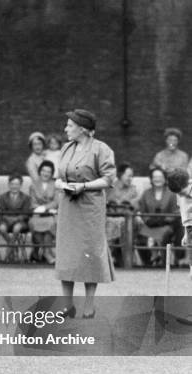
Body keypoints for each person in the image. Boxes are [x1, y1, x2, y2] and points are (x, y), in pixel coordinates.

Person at [55, 109, 116, 319]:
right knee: (67, 254)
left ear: (82, 129)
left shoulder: (101, 149)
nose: (66, 129)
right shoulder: (66, 148)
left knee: (89, 254)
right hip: (68, 207)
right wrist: (61, 184)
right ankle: (66, 305)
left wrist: (84, 186)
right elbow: (58, 175)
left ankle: (89, 306)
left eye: (70, 125)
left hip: (90, 208)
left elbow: (108, 180)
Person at [135, 168, 179, 267]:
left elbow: (176, 211)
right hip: (149, 225)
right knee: (140, 235)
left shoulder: (171, 193)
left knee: (165, 234)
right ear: (151, 179)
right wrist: (148, 220)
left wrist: (164, 220)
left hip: (166, 225)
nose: (157, 179)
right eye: (155, 177)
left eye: (160, 177)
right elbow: (142, 210)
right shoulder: (146, 193)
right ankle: (146, 263)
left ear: (165, 179)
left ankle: (163, 262)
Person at [105, 163, 139, 266]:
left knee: (128, 223)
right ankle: (107, 258)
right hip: (110, 217)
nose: (130, 178)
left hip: (127, 219)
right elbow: (107, 203)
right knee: (111, 223)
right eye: (128, 175)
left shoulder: (133, 189)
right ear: (120, 175)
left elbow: (135, 205)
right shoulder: (110, 187)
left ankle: (126, 260)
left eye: (131, 176)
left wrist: (122, 203)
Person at [29, 160, 59, 264]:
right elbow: (32, 203)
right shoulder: (33, 185)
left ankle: (46, 252)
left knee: (51, 224)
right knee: (33, 224)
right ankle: (47, 252)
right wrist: (39, 208)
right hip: (38, 214)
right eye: (43, 171)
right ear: (39, 171)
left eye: (48, 172)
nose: (45, 173)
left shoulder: (56, 185)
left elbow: (56, 201)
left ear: (51, 174)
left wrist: (45, 207)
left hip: (51, 214)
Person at [0, 174, 32, 261]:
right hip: (6, 220)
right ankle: (13, 246)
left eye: (17, 184)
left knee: (16, 228)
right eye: (12, 184)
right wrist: (8, 219)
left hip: (20, 222)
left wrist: (16, 219)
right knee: (2, 228)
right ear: (9, 184)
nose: (14, 186)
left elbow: (26, 214)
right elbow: (1, 212)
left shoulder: (26, 198)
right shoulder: (2, 197)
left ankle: (8, 253)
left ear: (20, 185)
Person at [167, 168, 192, 278]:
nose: (181, 196)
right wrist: (185, 234)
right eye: (178, 194)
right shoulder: (179, 193)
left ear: (188, 182)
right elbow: (184, 213)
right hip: (189, 225)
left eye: (182, 192)